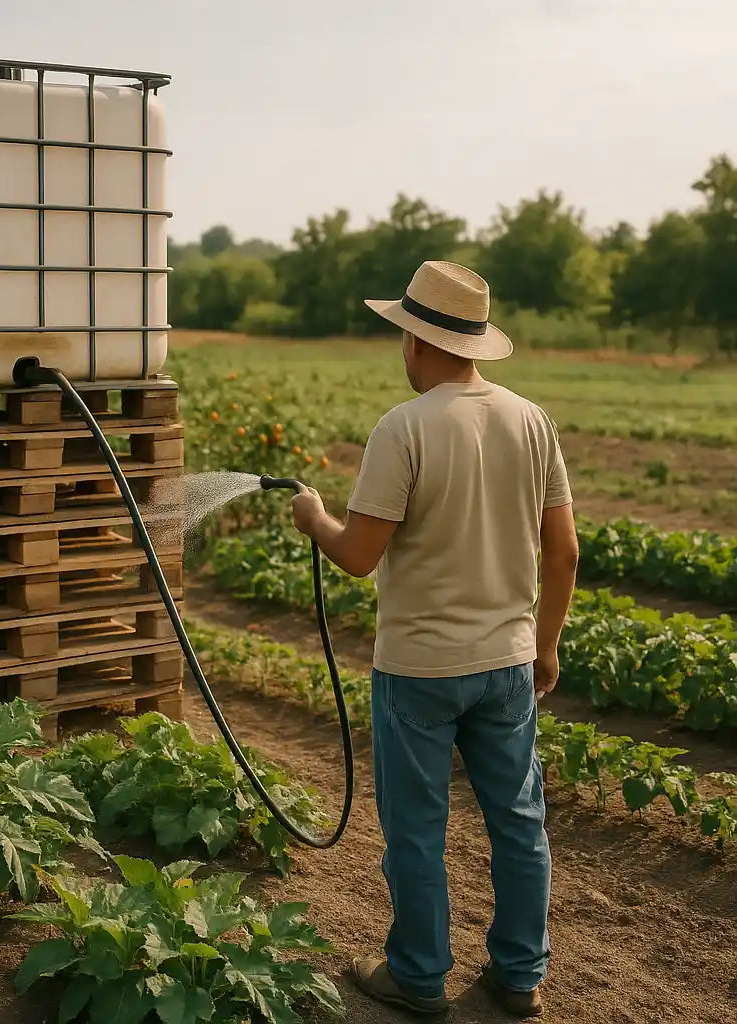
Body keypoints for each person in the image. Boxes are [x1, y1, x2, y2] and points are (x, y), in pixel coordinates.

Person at [290, 260, 578, 1019]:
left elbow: (357, 557)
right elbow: (565, 552)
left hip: (418, 670)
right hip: (509, 664)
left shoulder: (404, 428)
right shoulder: (531, 420)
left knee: (417, 831)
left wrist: (314, 518)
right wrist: (545, 646)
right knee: (519, 823)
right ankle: (520, 979)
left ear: (416, 342)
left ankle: (418, 978)